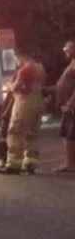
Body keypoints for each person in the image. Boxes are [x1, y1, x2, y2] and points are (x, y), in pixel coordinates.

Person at [0, 50, 46, 175]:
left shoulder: (25, 70)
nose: (17, 62)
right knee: (32, 134)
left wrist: (9, 85)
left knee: (16, 132)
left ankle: (13, 164)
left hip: (25, 102)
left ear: (21, 57)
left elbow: (16, 87)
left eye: (16, 59)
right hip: (38, 101)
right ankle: (30, 163)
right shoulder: (40, 69)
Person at [53, 40, 75, 172]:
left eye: (68, 49)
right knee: (69, 135)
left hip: (71, 107)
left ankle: (69, 164)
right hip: (68, 105)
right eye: (65, 49)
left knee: (69, 135)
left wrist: (70, 103)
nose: (66, 51)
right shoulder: (72, 64)